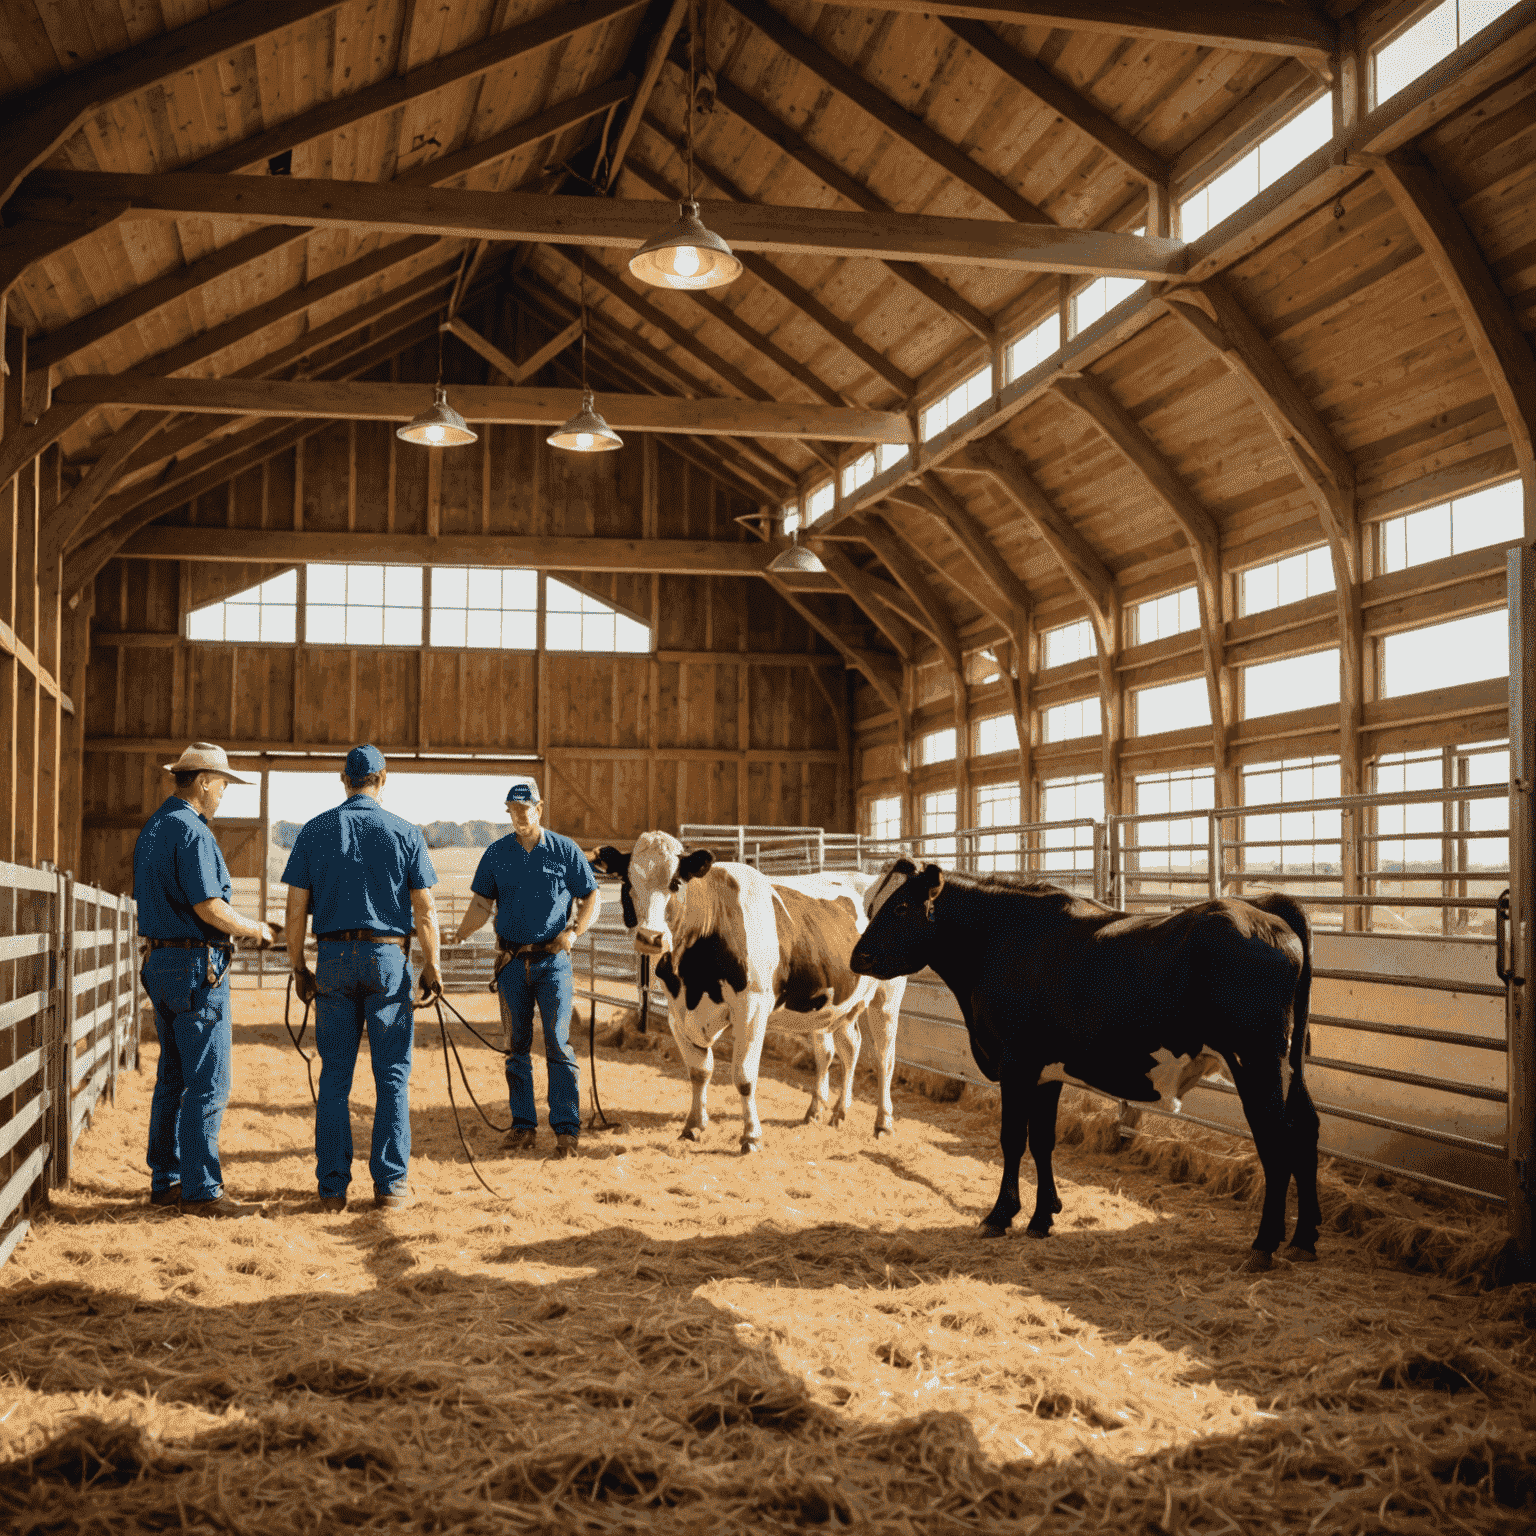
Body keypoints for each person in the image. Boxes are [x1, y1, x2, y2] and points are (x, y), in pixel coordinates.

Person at [282, 744, 442, 1212]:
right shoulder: (406, 832)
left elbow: (295, 910)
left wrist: (298, 966)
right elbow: (426, 910)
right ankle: (391, 1187)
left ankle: (332, 1188)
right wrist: (431, 965)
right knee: (392, 1076)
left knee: (334, 1076)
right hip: (388, 958)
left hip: (333, 956)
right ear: (383, 779)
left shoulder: (314, 831)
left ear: (343, 779)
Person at [134, 742, 275, 1218]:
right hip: (195, 966)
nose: (224, 794)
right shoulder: (192, 832)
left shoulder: (155, 828)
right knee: (209, 1081)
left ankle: (166, 1179)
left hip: (161, 962)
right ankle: (202, 1189)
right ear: (202, 783)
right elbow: (207, 906)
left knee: (173, 1075)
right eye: (221, 784)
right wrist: (253, 927)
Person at [452, 781, 600, 1158]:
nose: (519, 814)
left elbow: (590, 896)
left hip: (553, 963)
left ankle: (566, 1131)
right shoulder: (497, 854)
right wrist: (458, 935)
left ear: (539, 807)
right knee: (516, 1048)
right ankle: (523, 1127)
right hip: (512, 965)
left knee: (558, 1044)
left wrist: (575, 931)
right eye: (512, 809)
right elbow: (481, 905)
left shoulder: (564, 851)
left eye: (525, 807)